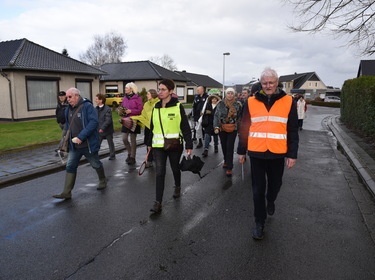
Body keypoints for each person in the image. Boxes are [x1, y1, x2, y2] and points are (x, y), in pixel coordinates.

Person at [237, 67, 299, 240]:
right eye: (264, 83)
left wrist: (292, 154)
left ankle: (271, 199)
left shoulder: (288, 101)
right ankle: (259, 222)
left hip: (277, 152)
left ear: (277, 82)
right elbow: (244, 126)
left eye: (271, 82)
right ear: (260, 83)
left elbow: (292, 130)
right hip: (256, 152)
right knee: (257, 190)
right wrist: (241, 151)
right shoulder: (251, 101)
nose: (268, 86)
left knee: (275, 185)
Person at [147, 79, 193, 213]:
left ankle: (177, 186)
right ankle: (158, 202)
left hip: (174, 145)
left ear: (171, 91)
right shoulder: (155, 107)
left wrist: (189, 144)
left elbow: (185, 127)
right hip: (158, 146)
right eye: (159, 89)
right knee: (160, 172)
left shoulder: (178, 107)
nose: (160, 92)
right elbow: (151, 128)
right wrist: (149, 144)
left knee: (174, 168)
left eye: (163, 90)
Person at [53, 88, 107, 199]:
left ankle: (102, 180)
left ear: (77, 96)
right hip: (74, 146)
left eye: (70, 97)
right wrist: (65, 139)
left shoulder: (87, 107)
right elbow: (68, 125)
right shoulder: (68, 109)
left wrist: (81, 136)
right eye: (67, 97)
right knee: (70, 165)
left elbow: (93, 122)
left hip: (87, 145)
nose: (67, 99)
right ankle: (66, 192)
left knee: (95, 164)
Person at [213, 88, 242, 177]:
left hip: (233, 128)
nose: (230, 95)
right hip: (222, 128)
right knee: (224, 145)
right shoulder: (220, 104)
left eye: (232, 93)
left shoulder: (238, 105)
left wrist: (240, 129)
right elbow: (216, 116)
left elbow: (240, 118)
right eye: (228, 93)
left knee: (230, 147)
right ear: (225, 94)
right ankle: (226, 160)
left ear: (234, 95)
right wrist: (216, 126)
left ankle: (229, 167)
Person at [131, 89, 159, 167]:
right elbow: (143, 115)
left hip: (157, 127)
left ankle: (157, 158)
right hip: (148, 127)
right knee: (148, 143)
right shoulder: (146, 104)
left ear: (153, 95)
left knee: (157, 144)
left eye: (148, 94)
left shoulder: (158, 103)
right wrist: (133, 118)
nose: (147, 95)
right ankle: (149, 161)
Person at [120, 82, 143, 165]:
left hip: (134, 120)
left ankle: (133, 157)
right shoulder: (124, 98)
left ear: (131, 89)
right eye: (125, 88)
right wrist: (121, 112)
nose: (125, 89)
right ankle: (129, 153)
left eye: (126, 88)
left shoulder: (138, 98)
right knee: (124, 138)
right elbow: (122, 107)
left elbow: (141, 110)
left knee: (133, 140)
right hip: (125, 120)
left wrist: (131, 111)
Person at [95, 93, 116, 160]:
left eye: (97, 99)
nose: (95, 100)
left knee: (110, 143)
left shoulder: (107, 109)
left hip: (107, 130)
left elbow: (108, 120)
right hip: (99, 129)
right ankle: (94, 156)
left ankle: (112, 155)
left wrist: (102, 128)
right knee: (97, 143)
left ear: (101, 100)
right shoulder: (95, 109)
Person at [55, 91, 68, 156]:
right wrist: (58, 121)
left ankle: (60, 149)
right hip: (61, 123)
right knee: (67, 136)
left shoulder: (67, 104)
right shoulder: (59, 104)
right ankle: (68, 149)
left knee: (64, 136)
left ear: (65, 96)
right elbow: (57, 112)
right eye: (60, 96)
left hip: (66, 123)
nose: (61, 97)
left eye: (62, 96)